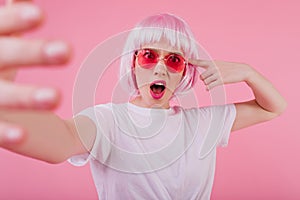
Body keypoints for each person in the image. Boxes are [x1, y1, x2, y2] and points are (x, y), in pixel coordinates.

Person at [0, 1, 287, 200]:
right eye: (149, 55)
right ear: (133, 63)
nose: (160, 68)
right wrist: (6, 103)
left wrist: (249, 72)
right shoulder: (108, 121)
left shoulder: (202, 123)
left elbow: (274, 107)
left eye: (174, 60)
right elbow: (60, 141)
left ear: (185, 71)